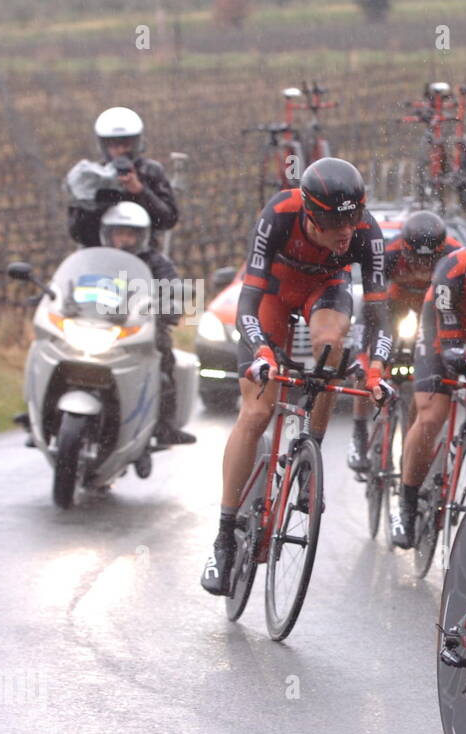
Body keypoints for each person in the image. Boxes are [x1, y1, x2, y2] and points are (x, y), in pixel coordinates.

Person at [200, 158, 392, 596]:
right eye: (331, 220)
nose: (345, 230)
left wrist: (377, 370)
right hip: (271, 296)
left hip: (325, 291)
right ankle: (224, 535)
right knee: (256, 412)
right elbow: (248, 303)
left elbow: (381, 317)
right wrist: (263, 352)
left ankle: (310, 456)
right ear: (309, 213)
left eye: (353, 217)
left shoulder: (366, 234)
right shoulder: (279, 215)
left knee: (331, 348)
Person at [390, 223, 466, 548]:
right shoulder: (450, 272)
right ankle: (407, 505)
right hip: (444, 329)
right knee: (431, 416)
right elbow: (452, 351)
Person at [347, 210, 463, 472]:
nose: (422, 269)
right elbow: (369, 307)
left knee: (425, 374)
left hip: (432, 308)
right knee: (367, 364)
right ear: (405, 250)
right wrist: (360, 353)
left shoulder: (453, 255)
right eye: (415, 261)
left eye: (429, 261)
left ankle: (413, 446)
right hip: (394, 304)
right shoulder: (389, 255)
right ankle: (359, 431)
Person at [97, 201, 196, 445]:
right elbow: (74, 283)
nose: (124, 239)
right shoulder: (97, 260)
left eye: (130, 234)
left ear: (142, 236)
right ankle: (43, 409)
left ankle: (165, 424)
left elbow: (173, 287)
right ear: (108, 235)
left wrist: (170, 306)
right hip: (95, 324)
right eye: (119, 233)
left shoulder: (157, 262)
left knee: (162, 357)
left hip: (140, 326)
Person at [68, 108, 179, 249]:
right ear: (104, 146)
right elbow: (77, 231)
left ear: (137, 143)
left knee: (130, 272)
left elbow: (167, 220)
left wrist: (140, 191)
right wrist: (102, 196)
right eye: (114, 145)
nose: (121, 150)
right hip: (99, 257)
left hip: (142, 256)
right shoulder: (91, 177)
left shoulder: (151, 172)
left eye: (126, 144)